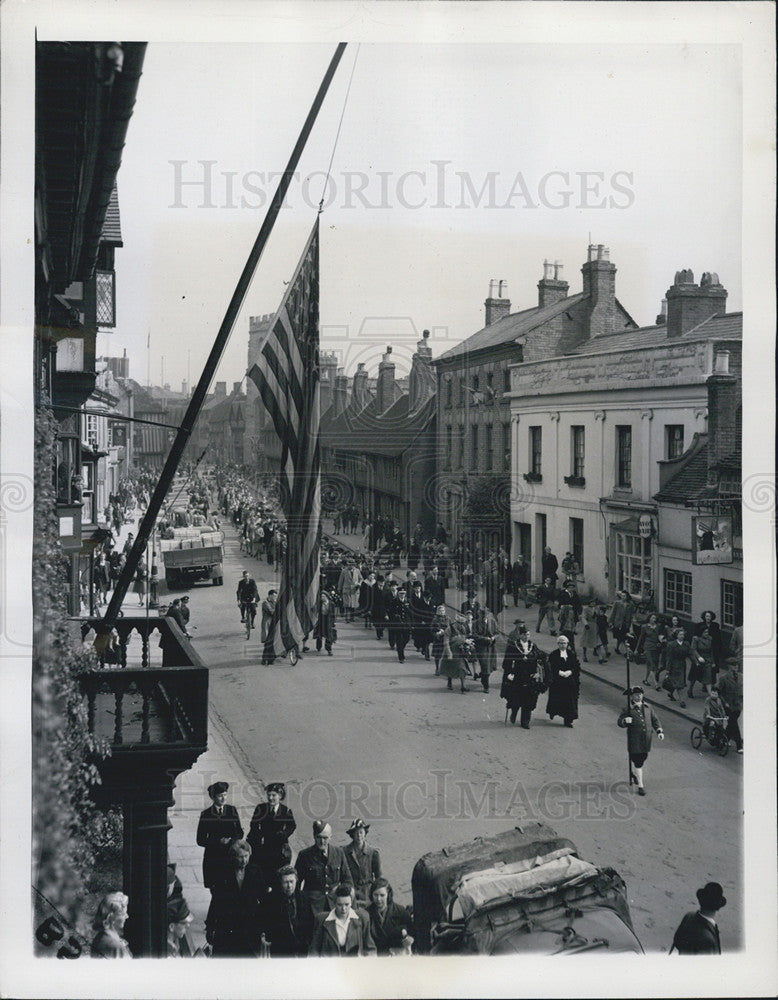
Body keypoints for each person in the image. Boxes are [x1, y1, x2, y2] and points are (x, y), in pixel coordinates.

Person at [206, 840, 267, 957]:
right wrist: (210, 927)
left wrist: (264, 926)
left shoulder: (256, 871)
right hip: (228, 926)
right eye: (240, 857)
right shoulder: (223, 872)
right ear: (233, 857)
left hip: (249, 927)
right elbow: (216, 901)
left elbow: (264, 898)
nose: (244, 860)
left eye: (246, 856)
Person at [295, 820, 353, 916]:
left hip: (335, 904)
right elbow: (297, 883)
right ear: (314, 836)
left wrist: (340, 893)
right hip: (312, 906)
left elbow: (348, 880)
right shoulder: (304, 855)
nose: (322, 841)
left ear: (331, 837)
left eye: (325, 838)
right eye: (319, 837)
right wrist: (302, 902)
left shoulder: (339, 853)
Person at [196, 781, 244, 895]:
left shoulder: (232, 810)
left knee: (232, 889)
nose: (223, 798)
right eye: (220, 795)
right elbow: (200, 840)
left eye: (225, 794)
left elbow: (240, 832)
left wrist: (231, 841)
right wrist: (218, 841)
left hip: (231, 856)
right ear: (213, 797)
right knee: (217, 891)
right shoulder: (206, 815)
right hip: (214, 859)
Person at [617, 686, 664, 796]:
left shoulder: (648, 707)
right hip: (634, 739)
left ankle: (635, 774)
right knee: (638, 761)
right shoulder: (627, 709)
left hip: (646, 739)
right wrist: (625, 721)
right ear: (632, 696)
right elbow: (619, 722)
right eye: (635, 695)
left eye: (640, 694)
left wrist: (659, 731)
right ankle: (641, 786)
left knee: (643, 758)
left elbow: (654, 719)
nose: (638, 696)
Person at [309, 884, 376, 957]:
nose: (343, 909)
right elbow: (314, 951)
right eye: (340, 905)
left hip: (354, 964)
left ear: (351, 902)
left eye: (347, 904)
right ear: (334, 903)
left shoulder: (362, 918)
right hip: (329, 965)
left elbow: (370, 949)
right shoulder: (322, 919)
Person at [500, 622, 546, 728]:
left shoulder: (533, 646)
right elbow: (506, 662)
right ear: (520, 635)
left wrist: (538, 673)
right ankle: (514, 713)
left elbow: (540, 659)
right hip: (517, 676)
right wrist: (510, 673)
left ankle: (525, 721)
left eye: (528, 634)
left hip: (530, 677)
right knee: (516, 698)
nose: (526, 636)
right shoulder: (513, 646)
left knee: (528, 700)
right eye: (524, 634)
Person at [261, 866, 313, 957]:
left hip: (301, 949)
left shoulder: (304, 898)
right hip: (280, 949)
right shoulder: (271, 900)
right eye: (286, 882)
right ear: (280, 882)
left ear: (296, 881)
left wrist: (307, 941)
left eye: (291, 882)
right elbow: (265, 922)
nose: (289, 886)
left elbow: (310, 922)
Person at [247, 782, 296, 874]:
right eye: (269, 795)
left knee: (278, 870)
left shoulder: (285, 811)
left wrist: (284, 834)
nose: (270, 798)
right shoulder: (261, 809)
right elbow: (253, 824)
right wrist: (258, 835)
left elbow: (292, 826)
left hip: (278, 845)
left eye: (274, 795)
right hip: (263, 844)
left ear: (280, 796)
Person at [670, 882, 727, 954]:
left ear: (701, 901)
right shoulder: (707, 939)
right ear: (718, 907)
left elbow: (677, 941)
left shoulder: (688, 916)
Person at [366, 878, 413, 957]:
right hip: (376, 956)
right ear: (371, 895)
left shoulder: (400, 911)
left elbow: (412, 932)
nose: (378, 899)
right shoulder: (366, 913)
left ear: (388, 895)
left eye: (382, 895)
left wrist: (408, 939)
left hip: (396, 956)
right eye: (375, 895)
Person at [545, 634, 581, 728]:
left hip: (569, 683)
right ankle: (553, 712)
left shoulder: (571, 654)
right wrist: (559, 672)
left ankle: (568, 720)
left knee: (570, 702)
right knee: (557, 700)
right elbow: (550, 667)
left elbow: (576, 666)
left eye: (564, 643)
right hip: (558, 682)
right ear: (558, 644)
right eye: (560, 643)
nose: (562, 645)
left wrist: (570, 671)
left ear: (567, 644)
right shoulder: (554, 654)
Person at [343, 819, 382, 904]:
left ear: (365, 833)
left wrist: (376, 894)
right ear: (352, 834)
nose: (358, 835)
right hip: (350, 892)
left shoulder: (373, 853)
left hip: (367, 893)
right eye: (356, 833)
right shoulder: (344, 852)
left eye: (361, 832)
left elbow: (378, 878)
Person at [91, 892, 131, 958]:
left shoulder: (100, 937)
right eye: (123, 914)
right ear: (111, 917)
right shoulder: (114, 945)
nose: (127, 916)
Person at [715, 659, 743, 753]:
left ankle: (723, 740)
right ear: (729, 666)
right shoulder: (723, 678)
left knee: (732, 724)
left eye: (737, 665)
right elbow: (718, 691)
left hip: (738, 705)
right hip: (727, 705)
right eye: (734, 665)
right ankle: (739, 745)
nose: (736, 667)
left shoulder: (741, 677)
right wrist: (724, 702)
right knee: (734, 723)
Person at [439, 614, 472, 694]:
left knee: (462, 668)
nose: (461, 625)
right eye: (459, 623)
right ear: (456, 622)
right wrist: (449, 653)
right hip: (451, 651)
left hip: (459, 652)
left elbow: (464, 638)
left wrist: (467, 644)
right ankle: (449, 682)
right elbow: (446, 642)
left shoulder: (463, 628)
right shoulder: (449, 629)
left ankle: (463, 686)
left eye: (462, 623)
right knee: (450, 668)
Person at [664, 628, 695, 707]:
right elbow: (669, 657)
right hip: (674, 665)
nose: (682, 636)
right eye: (680, 635)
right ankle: (682, 701)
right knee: (679, 684)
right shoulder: (671, 644)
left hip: (682, 665)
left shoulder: (686, 644)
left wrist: (695, 661)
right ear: (676, 636)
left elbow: (690, 653)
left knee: (677, 682)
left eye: (683, 635)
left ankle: (670, 693)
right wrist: (667, 669)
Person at [473, 604, 498, 693]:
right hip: (481, 648)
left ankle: (483, 677)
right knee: (485, 666)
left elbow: (497, 632)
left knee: (490, 666)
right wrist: (484, 638)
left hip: (491, 647)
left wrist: (494, 637)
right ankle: (486, 686)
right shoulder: (475, 623)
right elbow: (474, 635)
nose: (484, 617)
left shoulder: (493, 622)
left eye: (486, 615)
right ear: (479, 615)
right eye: (482, 615)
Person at [385, 581, 411, 663]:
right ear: (398, 594)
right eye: (400, 593)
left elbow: (411, 613)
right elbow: (390, 613)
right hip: (398, 625)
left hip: (406, 624)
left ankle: (400, 648)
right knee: (399, 641)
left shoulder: (408, 602)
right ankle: (401, 657)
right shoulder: (394, 602)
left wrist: (412, 623)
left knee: (406, 639)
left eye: (403, 593)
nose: (402, 595)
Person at [637, 613, 665, 688]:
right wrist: (637, 649)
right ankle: (656, 685)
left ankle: (645, 680)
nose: (654, 619)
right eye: (652, 618)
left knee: (651, 665)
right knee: (651, 665)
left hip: (655, 648)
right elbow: (641, 638)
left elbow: (660, 635)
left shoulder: (658, 627)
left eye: (655, 618)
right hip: (648, 647)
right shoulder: (644, 627)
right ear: (649, 618)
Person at [409, 580, 433, 660]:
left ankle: (424, 650)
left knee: (428, 639)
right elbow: (415, 612)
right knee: (422, 638)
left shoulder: (432, 603)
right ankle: (426, 652)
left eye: (419, 587)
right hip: (421, 623)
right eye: (428, 597)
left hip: (430, 623)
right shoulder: (419, 602)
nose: (429, 599)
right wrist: (419, 621)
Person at [314, 588, 337, 655]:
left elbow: (333, 614)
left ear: (327, 597)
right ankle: (318, 647)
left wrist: (334, 622)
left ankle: (329, 650)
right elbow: (315, 610)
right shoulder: (319, 604)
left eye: (323, 596)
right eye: (321, 596)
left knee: (329, 635)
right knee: (319, 634)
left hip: (328, 620)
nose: (322, 598)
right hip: (321, 620)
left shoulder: (331, 604)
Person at [430, 604, 449, 676]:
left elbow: (451, 627)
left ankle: (446, 669)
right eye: (440, 611)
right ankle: (437, 668)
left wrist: (445, 631)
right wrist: (437, 632)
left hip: (446, 638)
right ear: (437, 611)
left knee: (447, 655)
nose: (441, 612)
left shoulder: (448, 618)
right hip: (438, 639)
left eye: (443, 610)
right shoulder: (435, 619)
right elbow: (432, 629)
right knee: (437, 655)